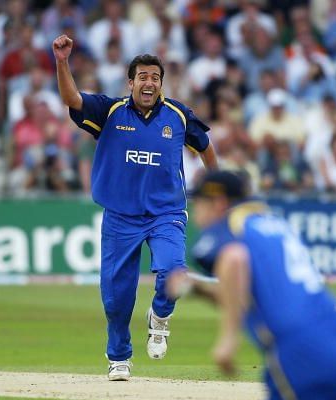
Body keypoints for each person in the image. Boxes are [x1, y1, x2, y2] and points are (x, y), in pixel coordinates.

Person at [52, 34, 218, 381]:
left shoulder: (177, 115)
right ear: (131, 82)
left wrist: (219, 188)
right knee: (116, 299)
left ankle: (159, 317)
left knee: (173, 271)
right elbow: (71, 98)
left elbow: (205, 145)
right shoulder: (110, 111)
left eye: (155, 77)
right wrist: (62, 61)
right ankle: (119, 357)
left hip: (166, 213)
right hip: (120, 216)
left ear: (160, 84)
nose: (149, 82)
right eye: (143, 76)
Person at [168, 170, 336, 400]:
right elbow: (242, 295)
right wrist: (199, 289)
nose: (195, 215)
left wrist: (228, 340)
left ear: (219, 203)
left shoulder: (230, 225)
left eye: (199, 205)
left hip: (301, 350)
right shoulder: (269, 221)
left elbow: (234, 260)